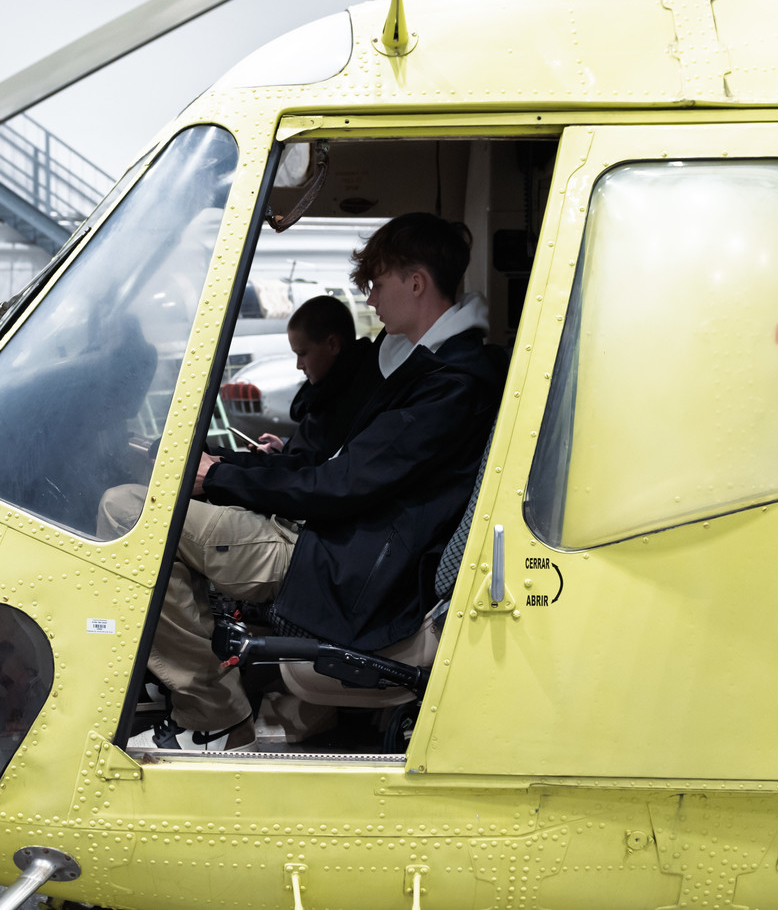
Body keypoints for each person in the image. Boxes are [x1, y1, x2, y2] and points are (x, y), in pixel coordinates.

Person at [112, 212, 504, 751]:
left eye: (377, 283)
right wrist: (227, 468)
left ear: (415, 283)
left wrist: (219, 478)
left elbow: (339, 484)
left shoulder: (448, 385)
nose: (370, 300)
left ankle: (214, 714)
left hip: (341, 565)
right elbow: (327, 466)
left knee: (126, 510)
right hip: (333, 540)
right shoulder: (417, 368)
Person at [219, 293, 380, 467]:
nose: (299, 365)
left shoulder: (341, 401)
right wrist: (285, 446)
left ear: (333, 345)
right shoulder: (338, 388)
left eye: (302, 354)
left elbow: (309, 467)